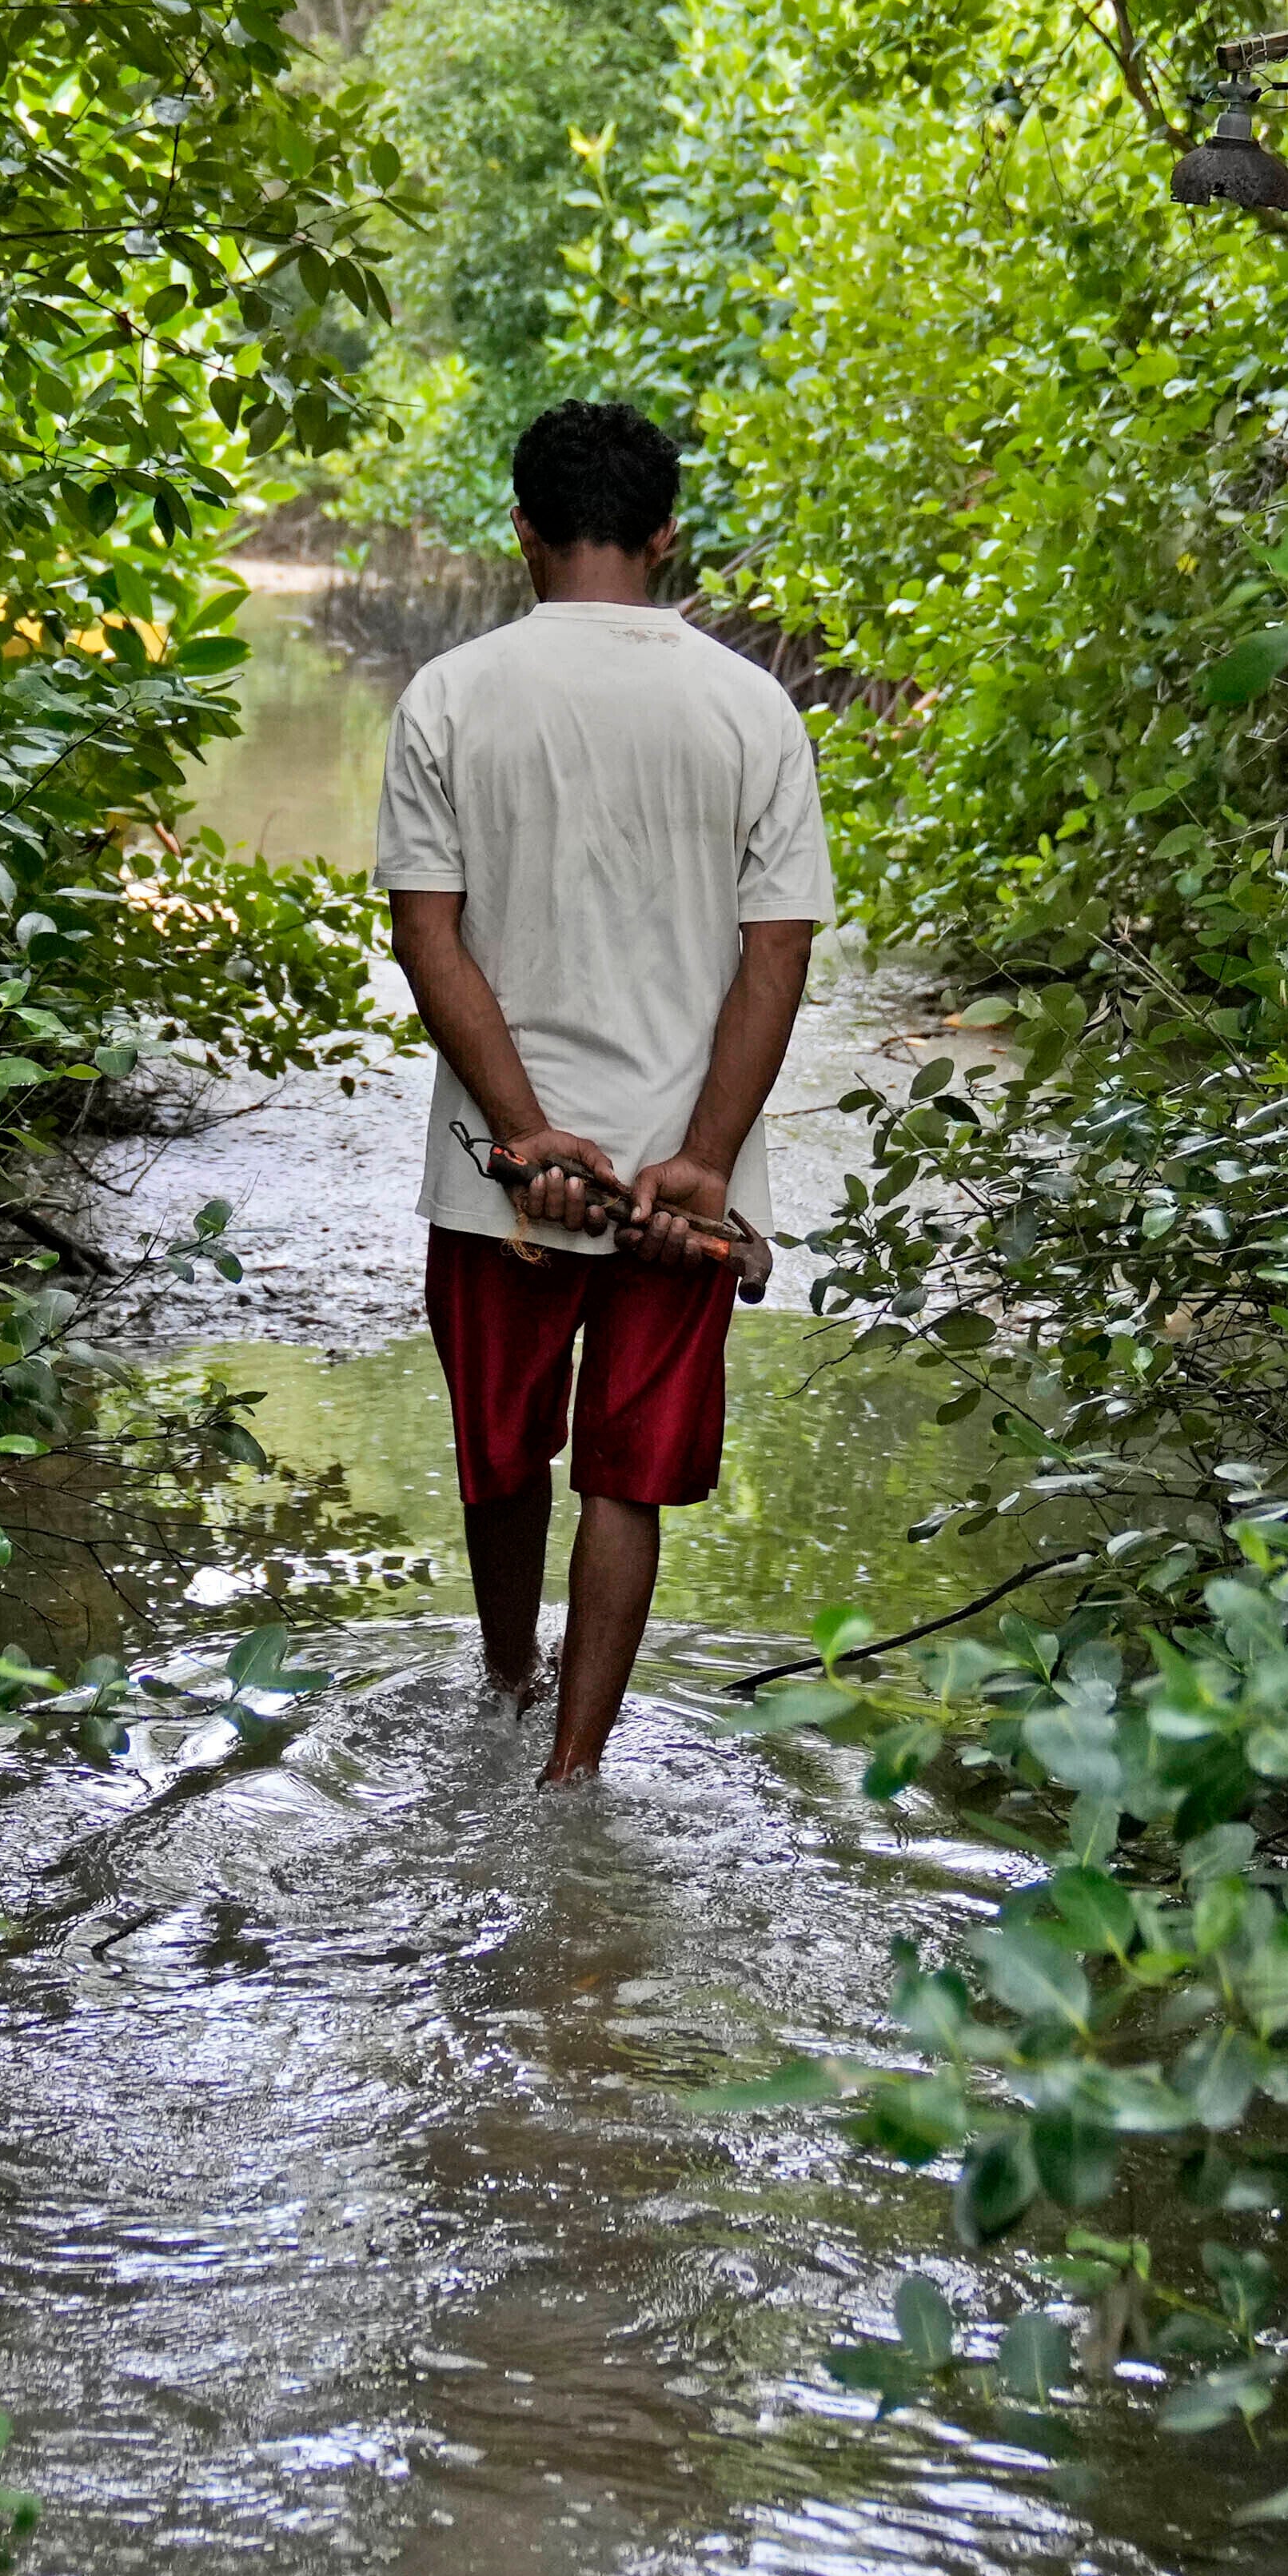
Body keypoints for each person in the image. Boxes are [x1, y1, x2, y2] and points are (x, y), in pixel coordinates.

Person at [373, 398, 829, 1785]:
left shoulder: (449, 695)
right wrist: (698, 1158)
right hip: (677, 1193)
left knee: (502, 1457)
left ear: (519, 529)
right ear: (665, 535)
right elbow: (778, 955)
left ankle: (507, 1684)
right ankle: (573, 1770)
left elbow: (425, 936)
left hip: (498, 1178)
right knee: (624, 1477)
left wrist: (521, 1131)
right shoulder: (751, 707)